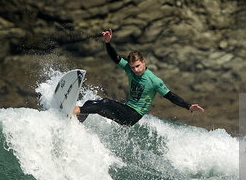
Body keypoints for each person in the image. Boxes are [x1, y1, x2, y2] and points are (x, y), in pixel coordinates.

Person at [73, 28, 204, 126]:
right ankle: (76, 123)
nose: (135, 70)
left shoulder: (154, 81)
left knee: (106, 102)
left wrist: (188, 106)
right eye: (132, 67)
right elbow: (115, 57)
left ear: (143, 62)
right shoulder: (129, 69)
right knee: (91, 104)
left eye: (137, 66)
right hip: (125, 111)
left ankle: (76, 110)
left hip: (132, 116)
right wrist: (108, 43)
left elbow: (170, 95)